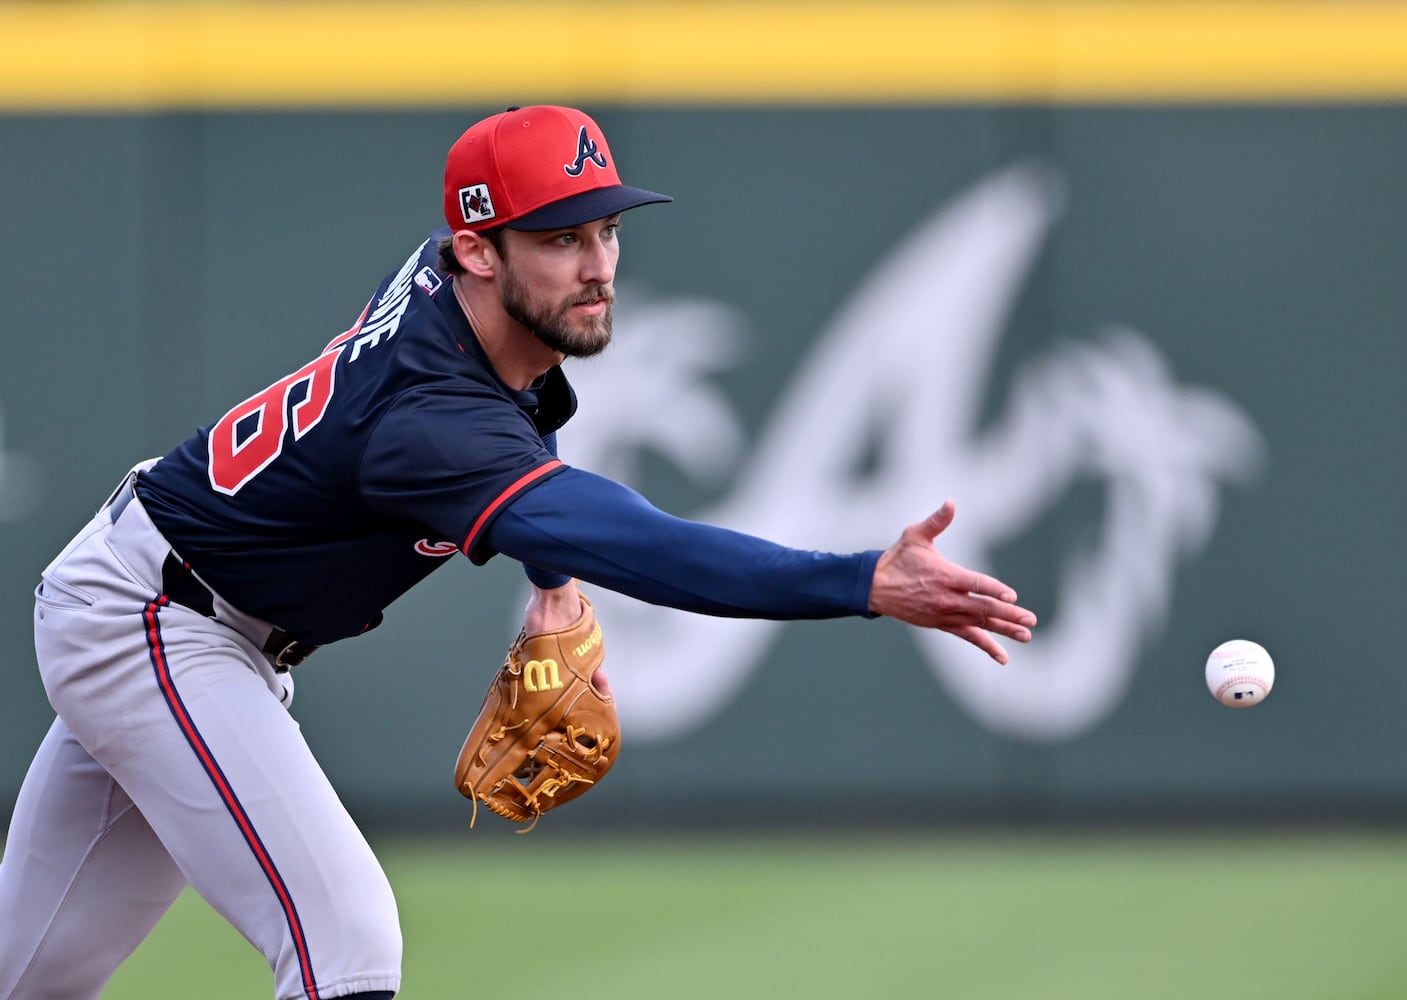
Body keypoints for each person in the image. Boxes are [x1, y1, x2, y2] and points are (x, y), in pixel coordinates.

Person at [0, 105, 1037, 1000]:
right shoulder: (430, 420)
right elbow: (651, 547)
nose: (596, 266)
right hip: (157, 622)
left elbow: (526, 425)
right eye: (559, 239)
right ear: (481, 249)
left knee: (30, 973)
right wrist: (860, 580)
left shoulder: (453, 291)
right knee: (346, 941)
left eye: (605, 229)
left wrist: (549, 583)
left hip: (174, 596)